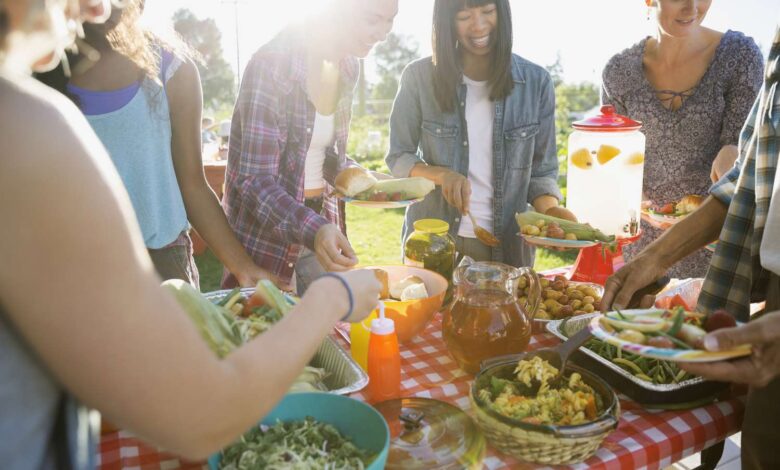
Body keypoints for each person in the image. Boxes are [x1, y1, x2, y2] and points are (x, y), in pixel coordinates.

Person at [0, 0, 381, 467]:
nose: (98, 9)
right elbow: (202, 415)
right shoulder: (23, 126)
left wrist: (246, 268)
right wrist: (332, 299)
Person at [601, 25, 780, 469]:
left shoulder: (739, 54)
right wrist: (652, 258)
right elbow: (744, 181)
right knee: (763, 448)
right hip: (775, 294)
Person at [36, 0, 278, 289]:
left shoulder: (171, 68)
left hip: (164, 267)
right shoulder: (33, 71)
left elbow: (193, 186)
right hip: (72, 272)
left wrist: (244, 267)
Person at [222, 0, 398, 293]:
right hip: (267, 243)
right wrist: (314, 229)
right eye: (373, 19)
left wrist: (366, 179)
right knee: (271, 334)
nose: (381, 34)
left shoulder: (348, 67)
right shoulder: (271, 66)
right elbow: (253, 181)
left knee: (326, 335)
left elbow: (321, 155)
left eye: (390, 22)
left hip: (322, 232)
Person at [385, 0, 574, 267]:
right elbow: (398, 156)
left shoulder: (536, 82)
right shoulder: (419, 78)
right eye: (464, 15)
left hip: (505, 245)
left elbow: (541, 173)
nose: (479, 25)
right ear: (447, 21)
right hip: (432, 240)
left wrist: (551, 212)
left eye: (487, 11)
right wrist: (443, 175)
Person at [601, 0, 764, 279]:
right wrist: (631, 194)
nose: (693, 8)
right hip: (646, 245)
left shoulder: (739, 55)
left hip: (715, 237)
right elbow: (616, 155)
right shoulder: (618, 71)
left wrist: (734, 148)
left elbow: (744, 140)